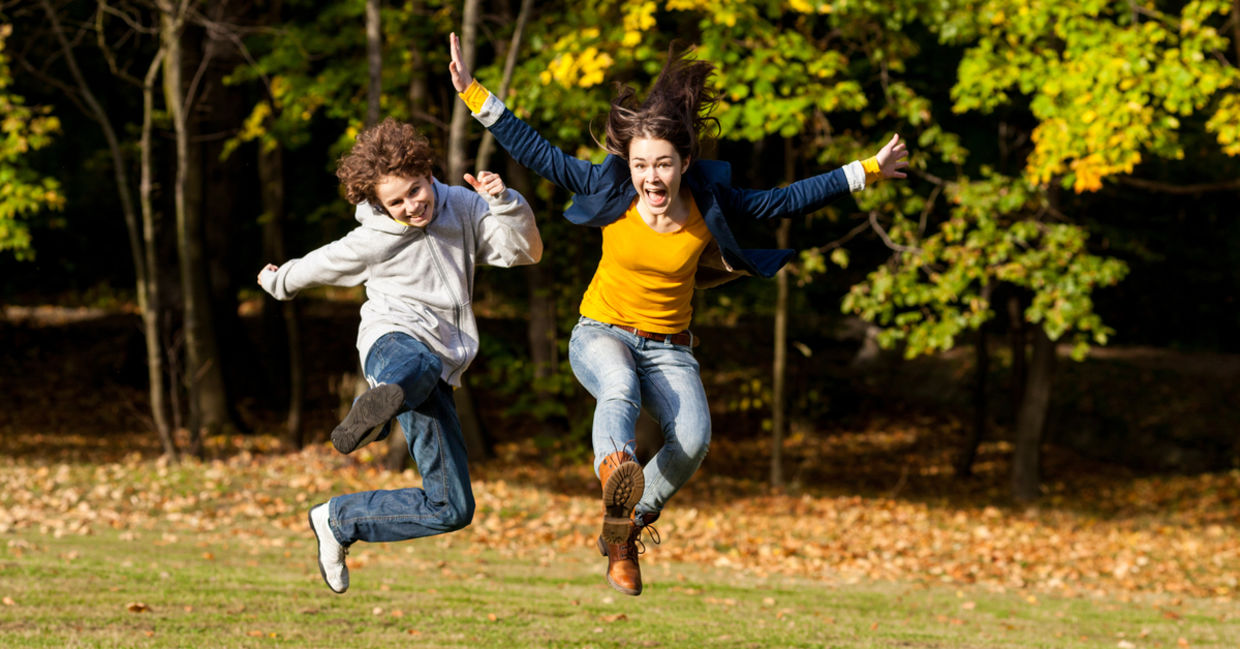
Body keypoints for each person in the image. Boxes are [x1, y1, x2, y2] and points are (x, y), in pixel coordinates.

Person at [449, 35, 908, 597]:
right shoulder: (610, 185)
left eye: (663, 164)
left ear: (684, 162)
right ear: (629, 165)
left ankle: (625, 528)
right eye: (641, 164)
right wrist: (475, 94)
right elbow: (540, 152)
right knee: (617, 388)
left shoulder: (709, 203)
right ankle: (615, 471)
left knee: (692, 440)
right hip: (600, 333)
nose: (651, 177)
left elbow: (787, 197)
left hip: (670, 346)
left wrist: (868, 169)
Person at [257, 117, 542, 594]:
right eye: (397, 202)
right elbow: (324, 262)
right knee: (418, 363)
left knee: (452, 507)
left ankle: (338, 519)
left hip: (437, 366)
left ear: (427, 172)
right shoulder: (374, 237)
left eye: (416, 190)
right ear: (378, 204)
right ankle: (379, 408)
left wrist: (505, 203)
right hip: (391, 343)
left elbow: (524, 251)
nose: (413, 206)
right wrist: (278, 280)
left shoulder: (464, 207)